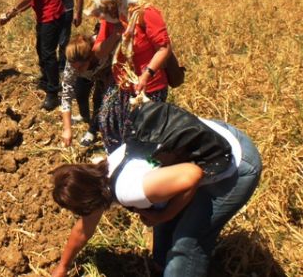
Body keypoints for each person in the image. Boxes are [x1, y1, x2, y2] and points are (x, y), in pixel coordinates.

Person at [51, 101, 262, 277]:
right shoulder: (104, 171)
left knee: (187, 242)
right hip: (215, 135)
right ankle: (161, 267)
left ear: (88, 203)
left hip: (237, 163)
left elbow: (193, 175)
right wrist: (63, 266)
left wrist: (164, 215)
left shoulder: (128, 189)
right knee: (163, 214)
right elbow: (83, 229)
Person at [84, 0, 172, 152]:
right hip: (121, 85)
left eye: (103, 13)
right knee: (107, 122)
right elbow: (99, 52)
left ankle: (137, 167)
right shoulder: (110, 19)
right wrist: (116, 33)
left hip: (148, 87)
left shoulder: (145, 13)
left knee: (138, 133)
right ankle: (116, 159)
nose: (101, 18)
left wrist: (146, 75)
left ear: (114, 6)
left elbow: (164, 48)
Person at [0, 0, 65, 111]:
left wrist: (10, 13)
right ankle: (47, 80)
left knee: (48, 54)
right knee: (41, 50)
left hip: (51, 15)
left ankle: (53, 93)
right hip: (45, 16)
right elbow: (31, 1)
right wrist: (11, 16)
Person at [60, 34, 113, 147]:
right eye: (74, 68)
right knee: (80, 93)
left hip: (105, 72)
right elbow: (66, 94)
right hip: (88, 74)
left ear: (90, 57)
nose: (77, 71)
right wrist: (67, 129)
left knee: (98, 101)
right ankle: (84, 115)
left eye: (80, 67)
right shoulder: (73, 64)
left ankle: (92, 131)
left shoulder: (102, 51)